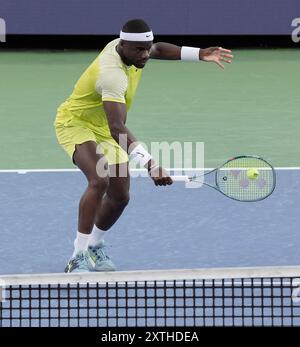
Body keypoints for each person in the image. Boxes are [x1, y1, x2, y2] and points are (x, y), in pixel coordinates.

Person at [54, 19, 233, 273]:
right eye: (139, 50)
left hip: (106, 128)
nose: (146, 55)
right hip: (77, 123)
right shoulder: (111, 75)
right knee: (99, 179)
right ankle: (78, 255)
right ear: (123, 45)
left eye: (146, 48)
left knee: (120, 195)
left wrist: (199, 54)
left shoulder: (135, 50)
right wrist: (151, 164)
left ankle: (95, 244)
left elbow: (159, 49)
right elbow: (117, 128)